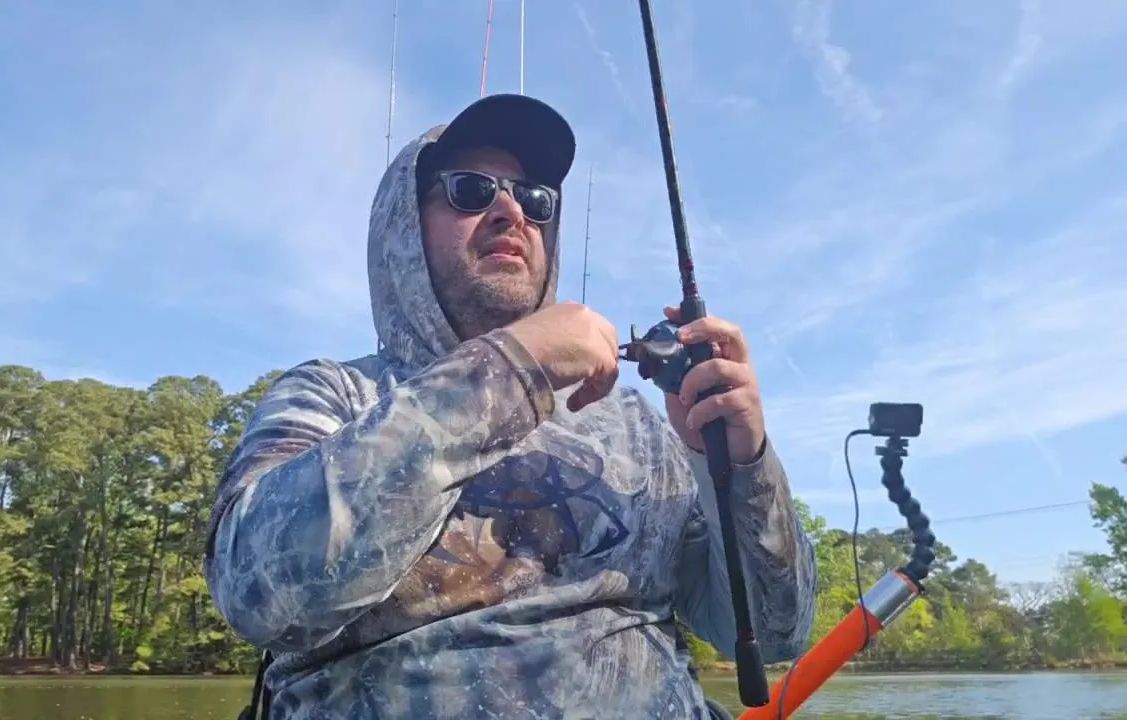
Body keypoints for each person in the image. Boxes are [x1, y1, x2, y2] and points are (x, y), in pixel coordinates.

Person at [204, 93, 817, 719]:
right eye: (470, 190)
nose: (511, 211)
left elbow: (773, 633)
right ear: (403, 231)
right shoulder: (332, 396)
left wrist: (738, 466)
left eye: (535, 199)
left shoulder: (638, 424)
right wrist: (513, 367)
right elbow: (258, 595)